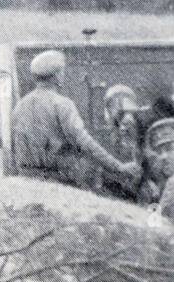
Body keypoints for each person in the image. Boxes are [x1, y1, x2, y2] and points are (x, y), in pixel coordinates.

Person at [10, 49, 139, 187]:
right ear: (57, 76)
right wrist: (118, 167)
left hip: (27, 179)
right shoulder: (62, 104)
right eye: (62, 72)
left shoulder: (20, 106)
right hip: (58, 180)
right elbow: (85, 144)